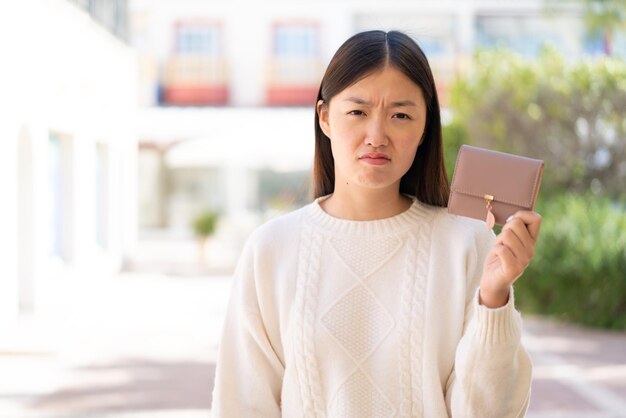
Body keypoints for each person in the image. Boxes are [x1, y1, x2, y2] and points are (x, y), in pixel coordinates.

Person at [211, 29, 541, 418]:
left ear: (424, 129)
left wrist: (494, 299)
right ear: (325, 118)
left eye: (400, 115)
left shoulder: (467, 243)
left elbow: (489, 413)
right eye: (357, 112)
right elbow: (242, 404)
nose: (376, 135)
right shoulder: (271, 248)